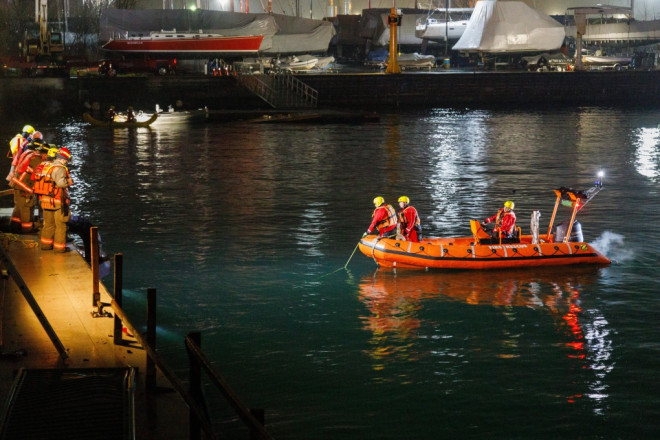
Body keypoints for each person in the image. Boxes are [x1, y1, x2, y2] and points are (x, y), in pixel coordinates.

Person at [34, 147, 73, 252]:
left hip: (45, 201)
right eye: (66, 160)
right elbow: (61, 183)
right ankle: (59, 249)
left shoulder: (46, 165)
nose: (66, 162)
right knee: (61, 225)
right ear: (62, 159)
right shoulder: (60, 168)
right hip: (57, 202)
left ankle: (46, 246)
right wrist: (69, 182)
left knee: (48, 225)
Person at [9, 141, 49, 233]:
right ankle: (27, 230)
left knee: (18, 208)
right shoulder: (37, 160)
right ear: (44, 153)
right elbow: (39, 176)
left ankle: (14, 227)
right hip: (24, 188)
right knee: (27, 209)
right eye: (47, 156)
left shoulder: (29, 154)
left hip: (17, 184)